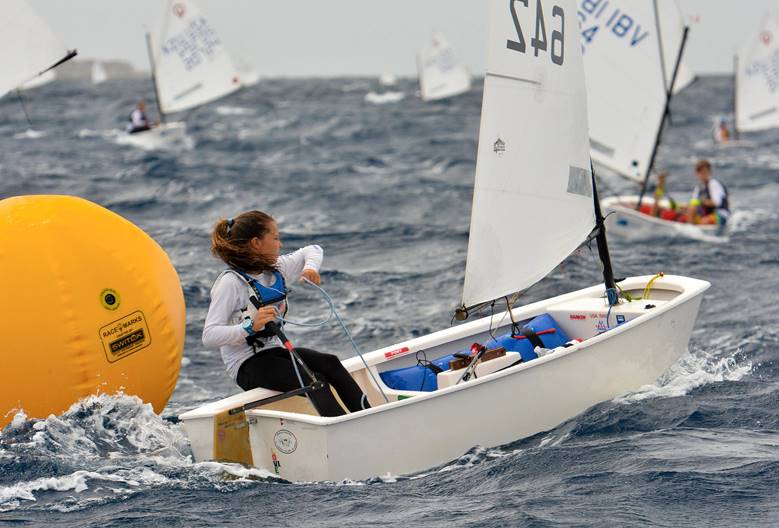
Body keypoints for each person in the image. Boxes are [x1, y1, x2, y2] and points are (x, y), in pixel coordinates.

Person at [202, 210, 370, 417]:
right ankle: (343, 431)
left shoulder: (275, 269)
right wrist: (249, 327)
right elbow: (209, 336)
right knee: (314, 381)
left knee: (330, 363)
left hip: (275, 353)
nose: (279, 244)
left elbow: (313, 249)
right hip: (246, 365)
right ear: (257, 243)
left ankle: (367, 417)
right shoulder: (230, 283)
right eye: (275, 238)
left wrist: (310, 269)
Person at [687, 159, 730, 225]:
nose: (703, 175)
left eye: (705, 172)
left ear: (710, 172)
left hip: (721, 214)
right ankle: (691, 227)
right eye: (700, 173)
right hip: (708, 214)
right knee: (691, 209)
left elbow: (716, 203)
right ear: (697, 174)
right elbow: (693, 203)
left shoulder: (714, 184)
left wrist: (701, 201)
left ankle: (694, 228)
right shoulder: (698, 188)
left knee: (703, 220)